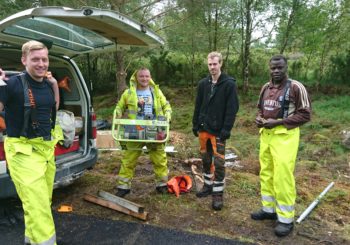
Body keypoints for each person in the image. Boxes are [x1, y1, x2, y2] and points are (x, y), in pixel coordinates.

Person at [0, 40, 62, 245]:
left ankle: (31, 238)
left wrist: (54, 85)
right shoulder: (12, 84)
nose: (41, 64)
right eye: (35, 59)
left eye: (44, 59)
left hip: (45, 150)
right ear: (24, 60)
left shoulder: (46, 83)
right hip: (22, 152)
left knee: (42, 201)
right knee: (38, 205)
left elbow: (52, 108)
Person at [251, 54, 311, 237]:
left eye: (280, 68)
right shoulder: (265, 87)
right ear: (269, 68)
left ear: (286, 68)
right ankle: (269, 209)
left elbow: (305, 115)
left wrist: (277, 122)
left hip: (285, 137)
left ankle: (285, 219)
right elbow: (261, 109)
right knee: (266, 173)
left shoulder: (295, 87)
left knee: (283, 177)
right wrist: (259, 118)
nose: (276, 71)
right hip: (266, 136)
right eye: (273, 68)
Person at [114, 68, 172, 197]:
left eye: (146, 76)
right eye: (141, 76)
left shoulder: (156, 92)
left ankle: (162, 185)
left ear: (150, 77)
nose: (144, 79)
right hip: (135, 130)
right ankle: (123, 187)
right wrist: (117, 113)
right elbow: (119, 107)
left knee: (159, 159)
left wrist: (168, 114)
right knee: (128, 159)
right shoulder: (128, 93)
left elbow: (166, 106)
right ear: (136, 78)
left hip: (154, 129)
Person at [192, 51, 239, 211]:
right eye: (210, 64)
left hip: (219, 131)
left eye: (215, 64)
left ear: (221, 64)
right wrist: (195, 124)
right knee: (205, 159)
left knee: (218, 163)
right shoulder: (203, 84)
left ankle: (218, 194)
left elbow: (232, 109)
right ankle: (207, 185)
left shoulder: (229, 84)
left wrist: (226, 129)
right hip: (203, 129)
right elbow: (198, 105)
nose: (212, 67)